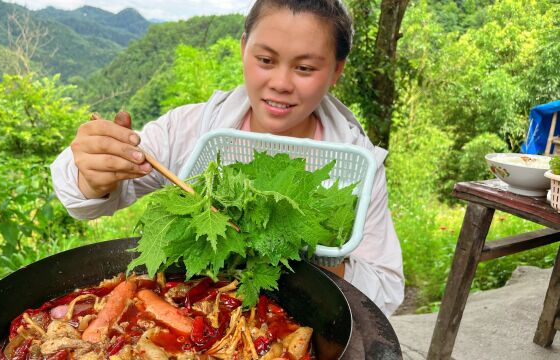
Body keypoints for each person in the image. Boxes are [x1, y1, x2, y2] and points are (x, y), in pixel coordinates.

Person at [51, 0, 404, 316]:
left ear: (336, 70)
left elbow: (385, 288)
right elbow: (77, 197)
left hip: (296, 321)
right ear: (242, 49)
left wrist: (304, 257)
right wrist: (94, 174)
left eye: (305, 68)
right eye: (265, 60)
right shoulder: (190, 130)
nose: (280, 82)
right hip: (188, 312)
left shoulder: (358, 165)